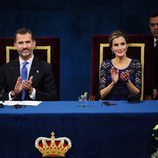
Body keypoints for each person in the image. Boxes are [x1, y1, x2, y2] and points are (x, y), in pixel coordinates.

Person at [0, 27, 58, 101]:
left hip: (37, 111)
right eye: (21, 43)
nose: (24, 46)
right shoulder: (5, 68)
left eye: (27, 42)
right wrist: (13, 93)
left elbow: (53, 97)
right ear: (15, 45)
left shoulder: (45, 67)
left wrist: (31, 91)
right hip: (13, 111)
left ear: (34, 43)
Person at [99, 30, 142, 100]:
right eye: (116, 45)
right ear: (112, 49)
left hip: (130, 105)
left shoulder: (136, 64)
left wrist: (127, 82)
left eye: (122, 44)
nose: (120, 48)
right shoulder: (105, 64)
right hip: (110, 106)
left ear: (127, 45)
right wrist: (113, 83)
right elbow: (101, 95)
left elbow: (138, 94)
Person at [149, 11, 158, 99]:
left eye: (157, 24)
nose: (155, 27)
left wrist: (156, 87)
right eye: (152, 25)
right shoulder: (146, 43)